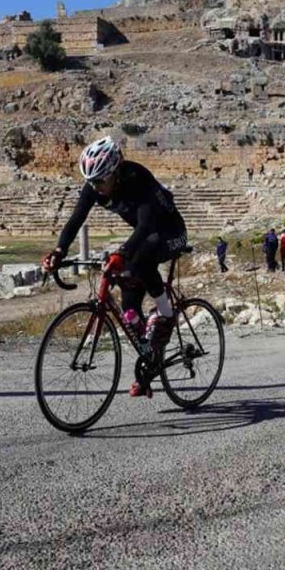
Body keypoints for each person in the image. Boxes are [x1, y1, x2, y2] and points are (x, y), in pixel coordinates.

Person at [42, 136, 188, 398]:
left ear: (114, 172)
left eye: (99, 181)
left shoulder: (137, 177)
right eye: (91, 182)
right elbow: (76, 220)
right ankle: (149, 359)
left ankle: (166, 314)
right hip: (145, 235)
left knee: (139, 258)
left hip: (170, 230)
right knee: (128, 300)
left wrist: (123, 252)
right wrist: (59, 251)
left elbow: (146, 225)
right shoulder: (94, 187)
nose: (95, 187)